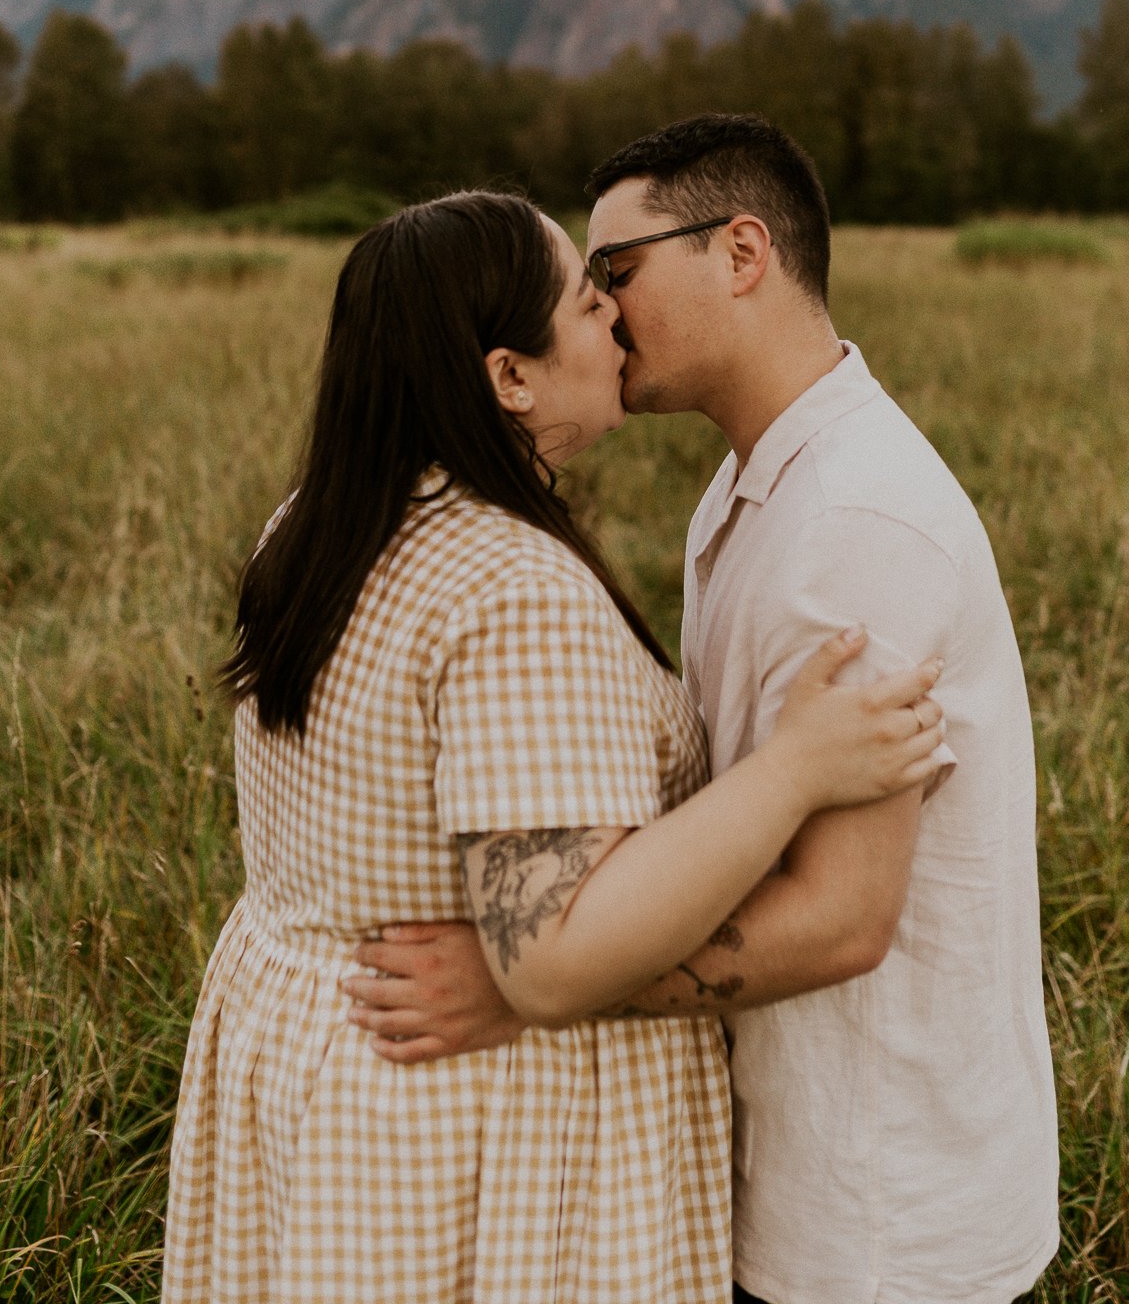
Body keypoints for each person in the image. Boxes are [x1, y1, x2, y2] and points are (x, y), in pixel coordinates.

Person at [162, 189, 946, 1304]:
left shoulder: (312, 525)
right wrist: (796, 768)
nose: (616, 320)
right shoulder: (511, 590)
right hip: (475, 1124)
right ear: (509, 376)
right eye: (588, 299)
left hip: (317, 1078)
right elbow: (556, 952)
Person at [344, 121, 1060, 1304]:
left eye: (615, 272)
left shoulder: (857, 528)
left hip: (875, 1215)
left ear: (741, 251)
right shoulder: (748, 485)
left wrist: (528, 976)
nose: (606, 315)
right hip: (789, 1161)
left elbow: (841, 918)